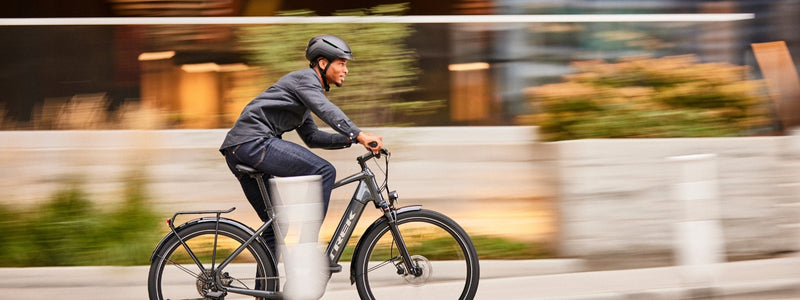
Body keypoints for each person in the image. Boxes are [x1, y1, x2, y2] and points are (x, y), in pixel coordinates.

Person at [219, 34, 383, 267]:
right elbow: (326, 109)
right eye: (342, 63)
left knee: (276, 226)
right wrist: (359, 133)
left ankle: (262, 291)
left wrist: (352, 140)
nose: (346, 70)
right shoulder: (306, 80)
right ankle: (307, 249)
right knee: (324, 171)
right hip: (253, 143)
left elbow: (313, 138)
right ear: (323, 63)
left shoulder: (303, 95)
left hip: (239, 149)